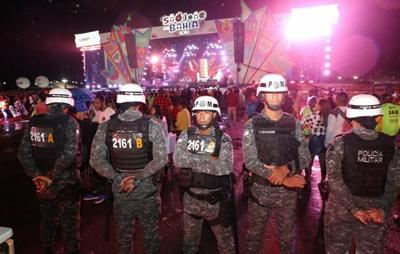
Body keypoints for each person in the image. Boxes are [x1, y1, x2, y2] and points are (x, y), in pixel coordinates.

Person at [90, 83, 167, 254]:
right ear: (140, 102)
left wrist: (118, 178)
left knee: (124, 238)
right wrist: (138, 177)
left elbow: (95, 160)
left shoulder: (106, 127)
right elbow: (161, 158)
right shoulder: (152, 125)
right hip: (147, 192)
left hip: (121, 191)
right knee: (150, 235)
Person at [324, 94, 400, 254]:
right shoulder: (391, 146)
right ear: (378, 118)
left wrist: (354, 209)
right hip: (376, 211)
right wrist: (382, 207)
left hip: (341, 210)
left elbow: (334, 180)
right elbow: (395, 182)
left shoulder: (338, 144)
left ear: (350, 118)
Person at [243, 74, 310, 254]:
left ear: (284, 95)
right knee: (253, 239)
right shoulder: (252, 125)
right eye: (270, 93)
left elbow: (305, 156)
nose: (275, 97)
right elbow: (250, 161)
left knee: (287, 240)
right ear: (262, 96)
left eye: (279, 93)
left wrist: (285, 169)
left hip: (287, 196)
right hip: (260, 192)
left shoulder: (294, 124)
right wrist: (284, 179)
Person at [18, 88, 81, 254]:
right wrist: (49, 177)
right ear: (66, 106)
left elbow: (23, 152)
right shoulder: (69, 121)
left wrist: (37, 176)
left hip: (41, 184)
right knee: (70, 223)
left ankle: (47, 250)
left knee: (47, 220)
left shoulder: (34, 122)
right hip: (65, 182)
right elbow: (69, 153)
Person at [173, 96, 235, 254]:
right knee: (189, 244)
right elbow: (178, 160)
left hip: (215, 202)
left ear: (214, 114)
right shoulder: (187, 135)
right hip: (191, 200)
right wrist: (210, 160)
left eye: (206, 112)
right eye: (198, 112)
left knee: (225, 244)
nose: (201, 116)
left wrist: (193, 160)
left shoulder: (223, 138)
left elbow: (224, 167)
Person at [302, 98, 330, 185]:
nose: (316, 105)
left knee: (309, 160)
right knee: (323, 162)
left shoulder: (314, 114)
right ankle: (323, 180)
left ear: (320, 105)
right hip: (324, 140)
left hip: (314, 140)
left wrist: (309, 128)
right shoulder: (330, 115)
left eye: (317, 104)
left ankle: (308, 179)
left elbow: (303, 123)